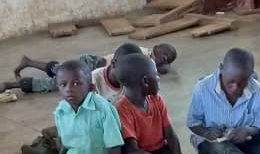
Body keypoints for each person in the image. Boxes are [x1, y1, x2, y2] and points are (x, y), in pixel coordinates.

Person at [116, 54, 231, 154]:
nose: (159, 78)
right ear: (145, 81)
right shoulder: (122, 109)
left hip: (161, 151)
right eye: (156, 75)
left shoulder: (156, 99)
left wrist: (177, 153)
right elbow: (132, 152)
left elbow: (169, 131)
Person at [47, 58, 124, 154]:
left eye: (76, 83)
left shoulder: (103, 109)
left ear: (91, 87)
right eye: (63, 84)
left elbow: (113, 145)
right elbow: (63, 143)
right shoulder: (60, 111)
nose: (68, 89)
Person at [4, 42, 176, 95]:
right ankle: (10, 85)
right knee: (52, 83)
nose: (165, 60)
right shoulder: (142, 57)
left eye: (167, 59)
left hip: (92, 62)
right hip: (92, 66)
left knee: (59, 70)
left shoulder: (143, 53)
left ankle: (29, 62)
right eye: (165, 56)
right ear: (156, 49)